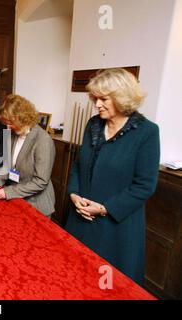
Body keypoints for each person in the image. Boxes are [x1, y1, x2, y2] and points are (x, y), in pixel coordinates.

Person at [64, 68, 160, 285]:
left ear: (122, 98)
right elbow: (79, 165)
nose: (97, 104)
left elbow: (145, 186)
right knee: (74, 282)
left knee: (107, 287)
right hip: (80, 220)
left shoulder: (147, 132)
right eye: (95, 98)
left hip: (116, 229)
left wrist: (105, 208)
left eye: (103, 99)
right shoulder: (93, 124)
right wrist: (73, 194)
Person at [0, 94, 55, 217]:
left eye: (10, 123)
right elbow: (7, 166)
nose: (7, 127)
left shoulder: (43, 140)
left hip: (36, 205)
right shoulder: (13, 133)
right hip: (17, 199)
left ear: (22, 118)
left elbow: (41, 181)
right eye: (6, 123)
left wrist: (9, 191)